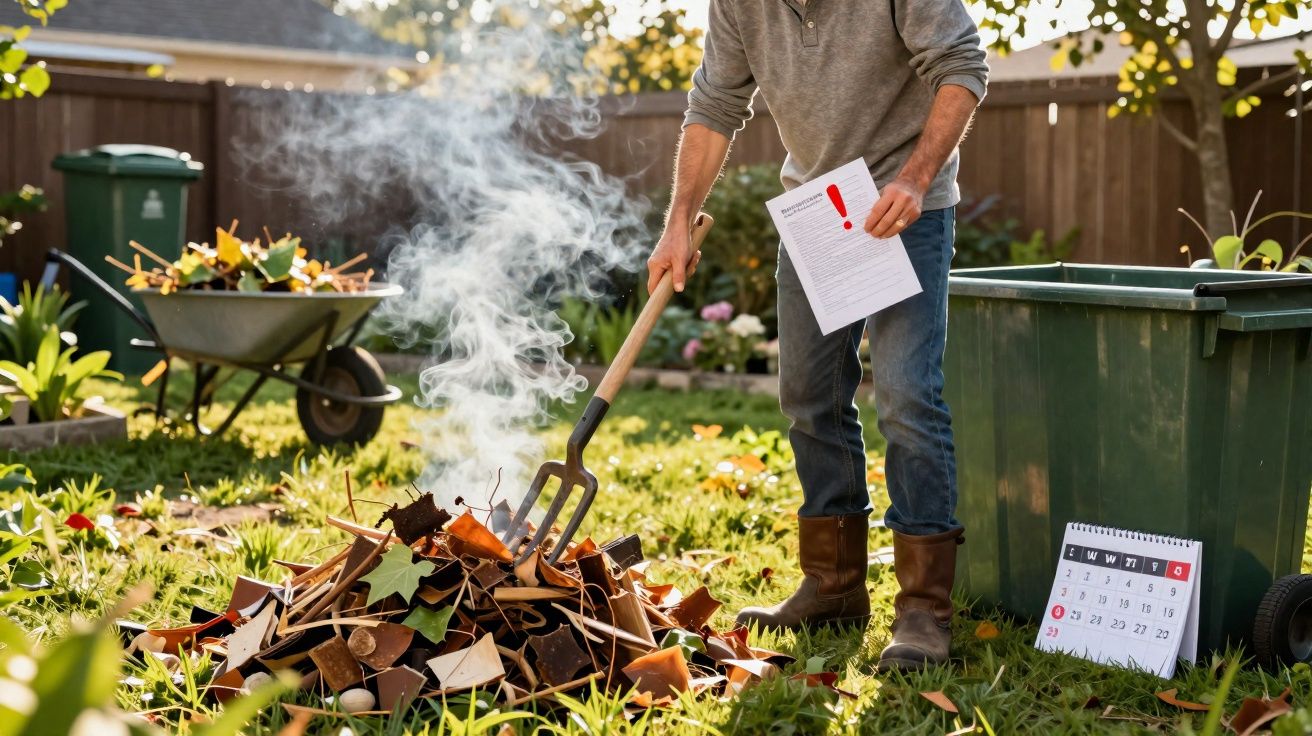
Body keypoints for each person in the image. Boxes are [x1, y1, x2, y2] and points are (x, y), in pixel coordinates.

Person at [646, 0, 988, 671]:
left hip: (902, 206)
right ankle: (833, 587)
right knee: (808, 396)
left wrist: (917, 179)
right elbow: (715, 104)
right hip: (818, 210)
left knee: (906, 395)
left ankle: (922, 611)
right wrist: (679, 218)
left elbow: (962, 68)